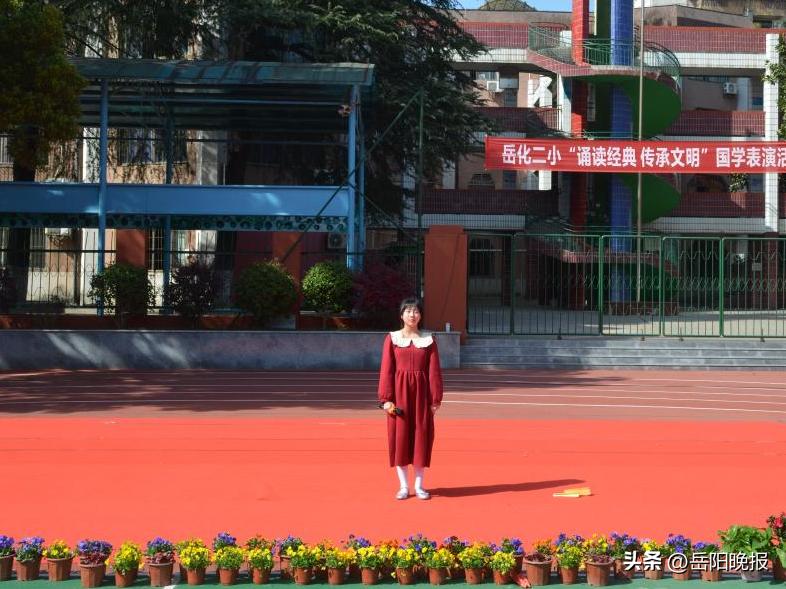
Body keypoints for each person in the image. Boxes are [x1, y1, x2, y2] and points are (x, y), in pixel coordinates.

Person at [377, 297, 443, 500]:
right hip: (399, 395)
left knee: (421, 438)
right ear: (401, 315)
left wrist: (435, 399)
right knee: (400, 438)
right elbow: (387, 370)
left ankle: (420, 486)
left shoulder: (429, 340)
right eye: (408, 311)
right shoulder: (392, 338)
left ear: (420, 315)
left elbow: (434, 371)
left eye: (415, 311)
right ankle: (404, 486)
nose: (412, 315)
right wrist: (386, 399)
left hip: (422, 396)